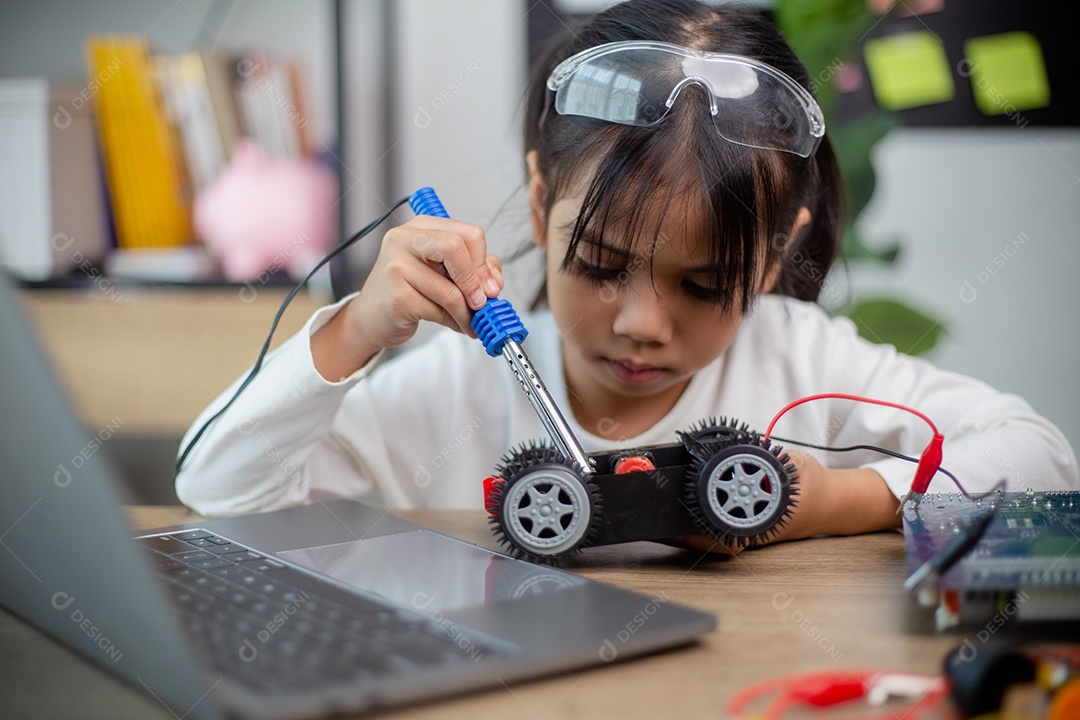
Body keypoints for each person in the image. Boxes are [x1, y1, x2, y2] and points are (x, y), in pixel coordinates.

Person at [175, 0, 1077, 553]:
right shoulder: (455, 391)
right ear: (538, 205)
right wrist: (356, 331)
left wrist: (834, 500)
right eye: (602, 266)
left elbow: (1039, 455)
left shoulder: (804, 361)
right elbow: (220, 492)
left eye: (703, 284)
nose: (644, 324)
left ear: (773, 254)